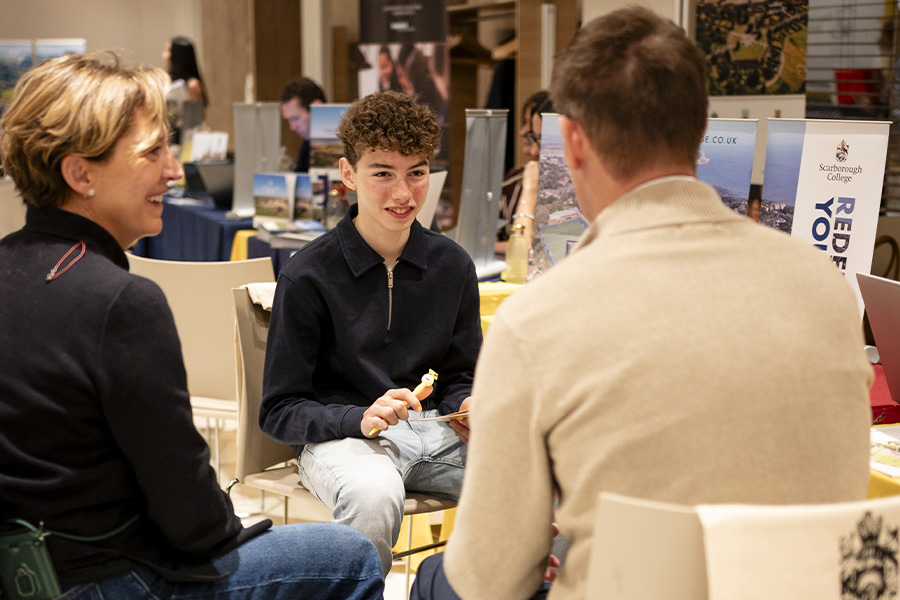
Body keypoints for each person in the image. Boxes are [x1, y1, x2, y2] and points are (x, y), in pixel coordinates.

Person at [412, 7, 873, 600]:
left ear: (572, 141)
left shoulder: (537, 322)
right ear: (701, 130)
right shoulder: (823, 286)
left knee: (435, 581)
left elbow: (490, 578)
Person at [0, 52, 383, 600]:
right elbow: (189, 512)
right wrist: (229, 530)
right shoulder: (121, 301)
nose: (174, 171)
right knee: (351, 555)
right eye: (152, 151)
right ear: (80, 173)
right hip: (108, 581)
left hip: (25, 575)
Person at [260, 90, 482, 575]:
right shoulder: (307, 275)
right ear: (348, 174)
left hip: (436, 431)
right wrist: (358, 416)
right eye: (383, 174)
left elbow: (460, 373)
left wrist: (466, 403)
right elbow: (279, 410)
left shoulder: (453, 266)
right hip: (346, 439)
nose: (404, 194)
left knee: (546, 475)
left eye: (417, 173)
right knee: (374, 495)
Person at [496, 91, 552, 255]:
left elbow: (523, 249)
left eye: (540, 139)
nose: (534, 150)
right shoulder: (514, 179)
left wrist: (530, 189)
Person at [280, 76, 327, 172]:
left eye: (296, 118)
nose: (292, 127)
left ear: (317, 108)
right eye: (289, 120)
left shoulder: (348, 145)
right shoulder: (307, 146)